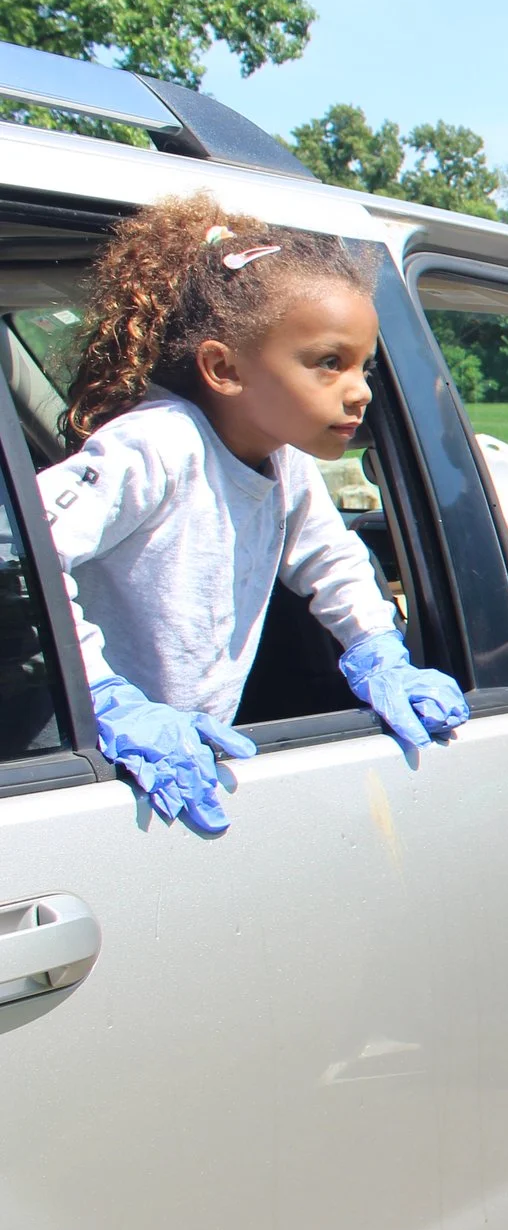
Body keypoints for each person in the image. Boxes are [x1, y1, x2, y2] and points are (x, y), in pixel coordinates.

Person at [41, 194, 468, 834]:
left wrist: (379, 650)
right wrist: (101, 695)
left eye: (364, 366)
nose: (361, 391)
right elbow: (33, 550)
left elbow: (333, 561)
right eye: (330, 363)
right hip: (87, 750)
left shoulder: (283, 461)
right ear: (224, 368)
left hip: (178, 747)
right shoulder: (160, 444)